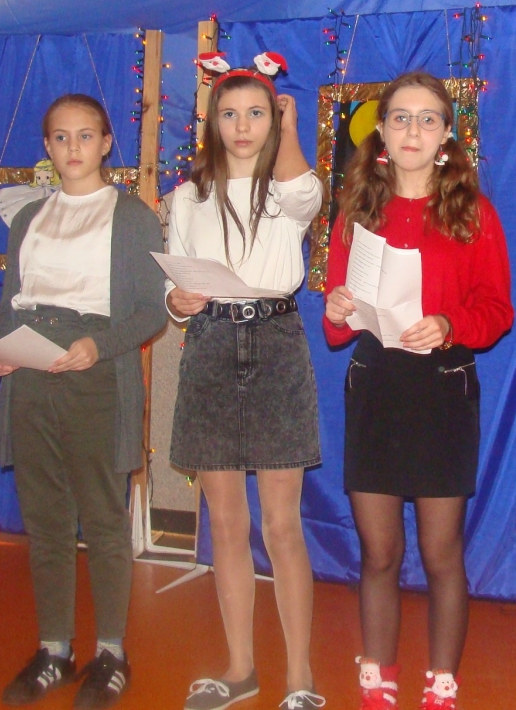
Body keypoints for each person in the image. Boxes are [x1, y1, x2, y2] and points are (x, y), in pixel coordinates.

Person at [323, 71, 514, 710]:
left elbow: (498, 311)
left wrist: (450, 325)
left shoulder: (473, 213)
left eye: (428, 119)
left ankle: (441, 682)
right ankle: (377, 676)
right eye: (400, 118)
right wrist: (340, 307)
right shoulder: (356, 213)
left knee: (440, 553)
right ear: (380, 130)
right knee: (378, 552)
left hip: (442, 391)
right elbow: (334, 327)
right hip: (376, 389)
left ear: (446, 134)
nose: (413, 130)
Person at [0, 94, 166, 709]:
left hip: (96, 375)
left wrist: (99, 344)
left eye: (85, 136)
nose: (73, 148)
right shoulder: (30, 218)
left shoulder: (132, 216)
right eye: (60, 137)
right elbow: (12, 300)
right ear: (47, 146)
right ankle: (54, 649)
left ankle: (111, 652)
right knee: (46, 522)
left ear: (107, 143)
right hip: (33, 377)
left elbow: (150, 311)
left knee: (105, 520)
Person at [167, 53, 325, 710]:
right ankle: (241, 669)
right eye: (228, 114)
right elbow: (175, 285)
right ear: (211, 122)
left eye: (256, 113)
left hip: (275, 343)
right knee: (227, 523)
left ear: (274, 119)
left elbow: (304, 195)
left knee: (282, 525)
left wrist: (289, 126)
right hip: (209, 346)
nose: (241, 126)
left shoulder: (289, 190)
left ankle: (300, 678)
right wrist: (179, 302)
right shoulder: (187, 197)